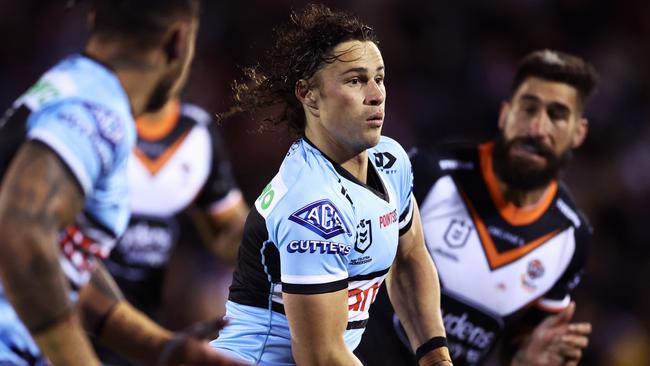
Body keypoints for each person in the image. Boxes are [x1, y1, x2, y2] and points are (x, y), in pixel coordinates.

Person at [0, 1, 246, 365]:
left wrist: (163, 348)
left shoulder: (70, 88)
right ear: (179, 41)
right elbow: (21, 232)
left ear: (95, 21)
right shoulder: (95, 114)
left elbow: (62, 259)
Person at [210, 4, 451, 366]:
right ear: (309, 95)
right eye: (355, 80)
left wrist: (436, 357)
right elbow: (320, 357)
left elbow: (411, 256)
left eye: (380, 78)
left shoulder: (391, 161)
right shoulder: (312, 206)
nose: (376, 95)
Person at [355, 49, 597, 366]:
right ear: (505, 114)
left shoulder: (570, 238)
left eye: (557, 114)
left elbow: (516, 352)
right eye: (528, 108)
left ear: (578, 132)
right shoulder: (429, 174)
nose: (538, 128)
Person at [95, 95, 248, 365]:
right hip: (71, 324)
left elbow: (232, 235)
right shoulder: (85, 124)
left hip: (147, 332)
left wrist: (283, 239)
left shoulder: (196, 133)